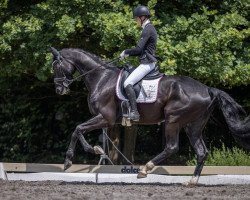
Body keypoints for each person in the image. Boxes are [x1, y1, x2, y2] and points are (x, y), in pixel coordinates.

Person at [120, 5, 158, 121]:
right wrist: (127, 54)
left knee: (127, 83)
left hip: (147, 63)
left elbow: (138, 49)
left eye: (136, 18)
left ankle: (135, 112)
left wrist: (126, 51)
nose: (136, 21)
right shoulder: (148, 28)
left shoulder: (148, 29)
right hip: (146, 61)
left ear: (142, 17)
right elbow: (140, 51)